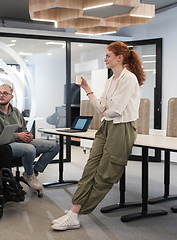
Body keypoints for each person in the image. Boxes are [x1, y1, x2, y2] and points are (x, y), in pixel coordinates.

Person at [51, 41, 145, 231]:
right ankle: (73, 212)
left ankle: (76, 213)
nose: (105, 59)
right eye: (105, 55)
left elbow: (116, 111)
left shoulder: (129, 79)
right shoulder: (110, 81)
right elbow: (101, 108)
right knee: (90, 170)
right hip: (106, 128)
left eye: (108, 55)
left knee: (105, 175)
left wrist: (106, 110)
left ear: (120, 57)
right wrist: (87, 89)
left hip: (122, 129)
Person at [0, 84, 60, 191]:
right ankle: (29, 175)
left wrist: (27, 136)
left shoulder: (15, 111)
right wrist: (18, 136)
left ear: (11, 97)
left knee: (55, 146)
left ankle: (34, 172)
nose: (1, 95)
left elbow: (23, 128)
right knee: (30, 149)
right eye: (0, 93)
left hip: (21, 141)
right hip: (5, 145)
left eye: (5, 93)